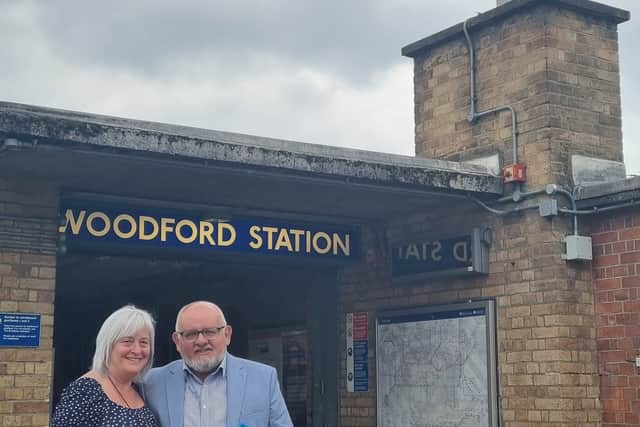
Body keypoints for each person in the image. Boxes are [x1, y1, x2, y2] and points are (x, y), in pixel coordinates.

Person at [143, 300, 293, 427]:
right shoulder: (151, 382)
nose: (201, 341)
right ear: (177, 341)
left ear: (227, 335)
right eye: (191, 334)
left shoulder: (264, 379)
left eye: (210, 332)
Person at [51, 305, 159, 427]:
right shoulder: (85, 392)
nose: (137, 350)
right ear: (108, 345)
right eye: (127, 341)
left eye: (144, 342)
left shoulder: (140, 388)